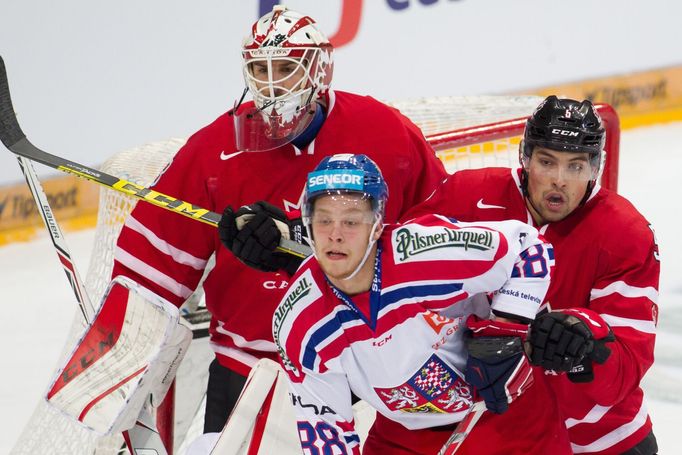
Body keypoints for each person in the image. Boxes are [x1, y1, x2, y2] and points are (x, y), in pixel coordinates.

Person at [111, 5, 447, 436]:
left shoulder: (384, 131)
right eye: (260, 70)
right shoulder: (215, 149)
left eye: (286, 67)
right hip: (251, 371)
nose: (272, 86)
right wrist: (122, 352)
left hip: (368, 364)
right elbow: (147, 268)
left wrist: (296, 240)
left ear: (319, 69)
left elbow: (436, 235)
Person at [400, 96, 660, 454]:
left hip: (600, 439)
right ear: (525, 157)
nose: (559, 180)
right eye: (546, 161)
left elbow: (626, 369)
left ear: (594, 168)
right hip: (500, 434)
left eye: (575, 166)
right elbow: (397, 273)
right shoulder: (465, 198)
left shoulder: (624, 232)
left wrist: (584, 342)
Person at [274, 153, 571, 454]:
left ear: (377, 225)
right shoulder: (299, 319)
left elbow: (529, 248)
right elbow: (325, 427)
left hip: (505, 415)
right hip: (404, 436)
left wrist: (505, 333)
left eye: (351, 221)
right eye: (324, 220)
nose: (335, 236)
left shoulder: (422, 252)